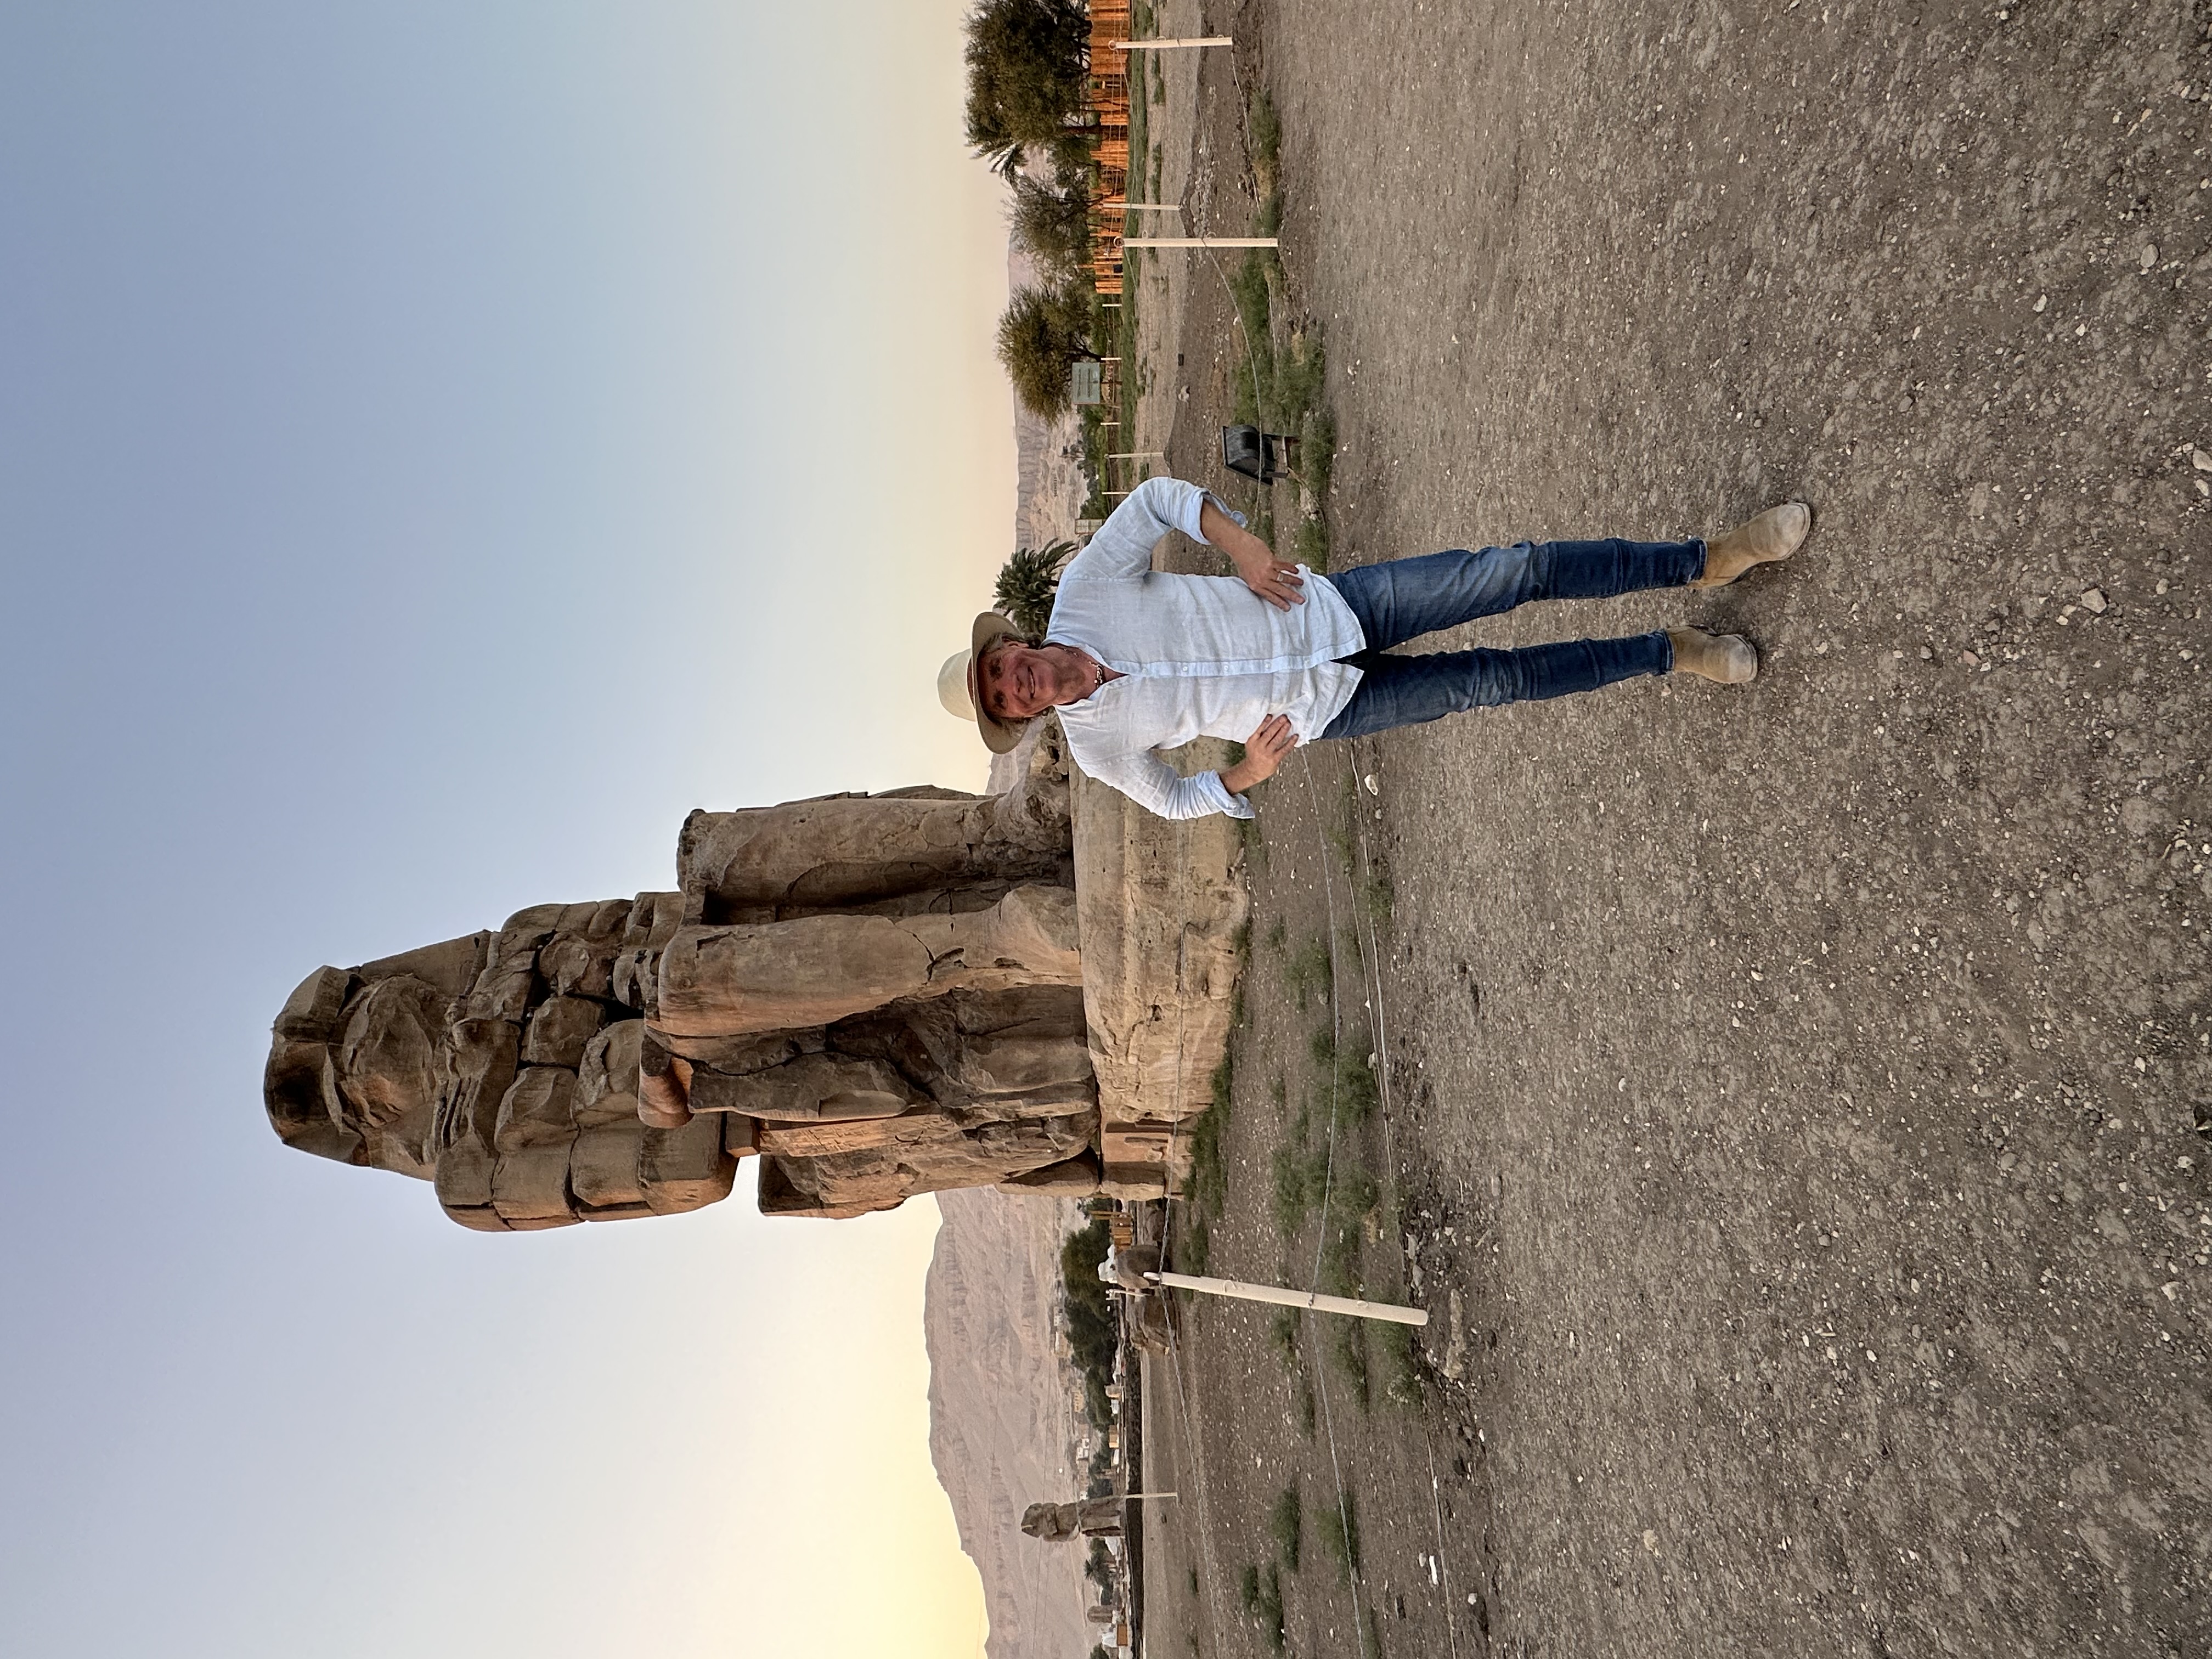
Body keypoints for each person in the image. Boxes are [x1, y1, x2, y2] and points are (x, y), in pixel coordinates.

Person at [938, 477, 1809, 820]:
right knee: (1499, 681)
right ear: (1020, 717)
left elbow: (1158, 502)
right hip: (1326, 711)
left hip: (1330, 607)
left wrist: (1242, 550)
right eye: (1003, 701)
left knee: (1513, 572)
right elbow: (1169, 799)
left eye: (998, 669)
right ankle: (1674, 652)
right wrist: (1243, 777)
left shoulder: (1085, 589)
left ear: (1010, 641)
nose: (1013, 685)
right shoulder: (1096, 749)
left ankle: (1708, 560)